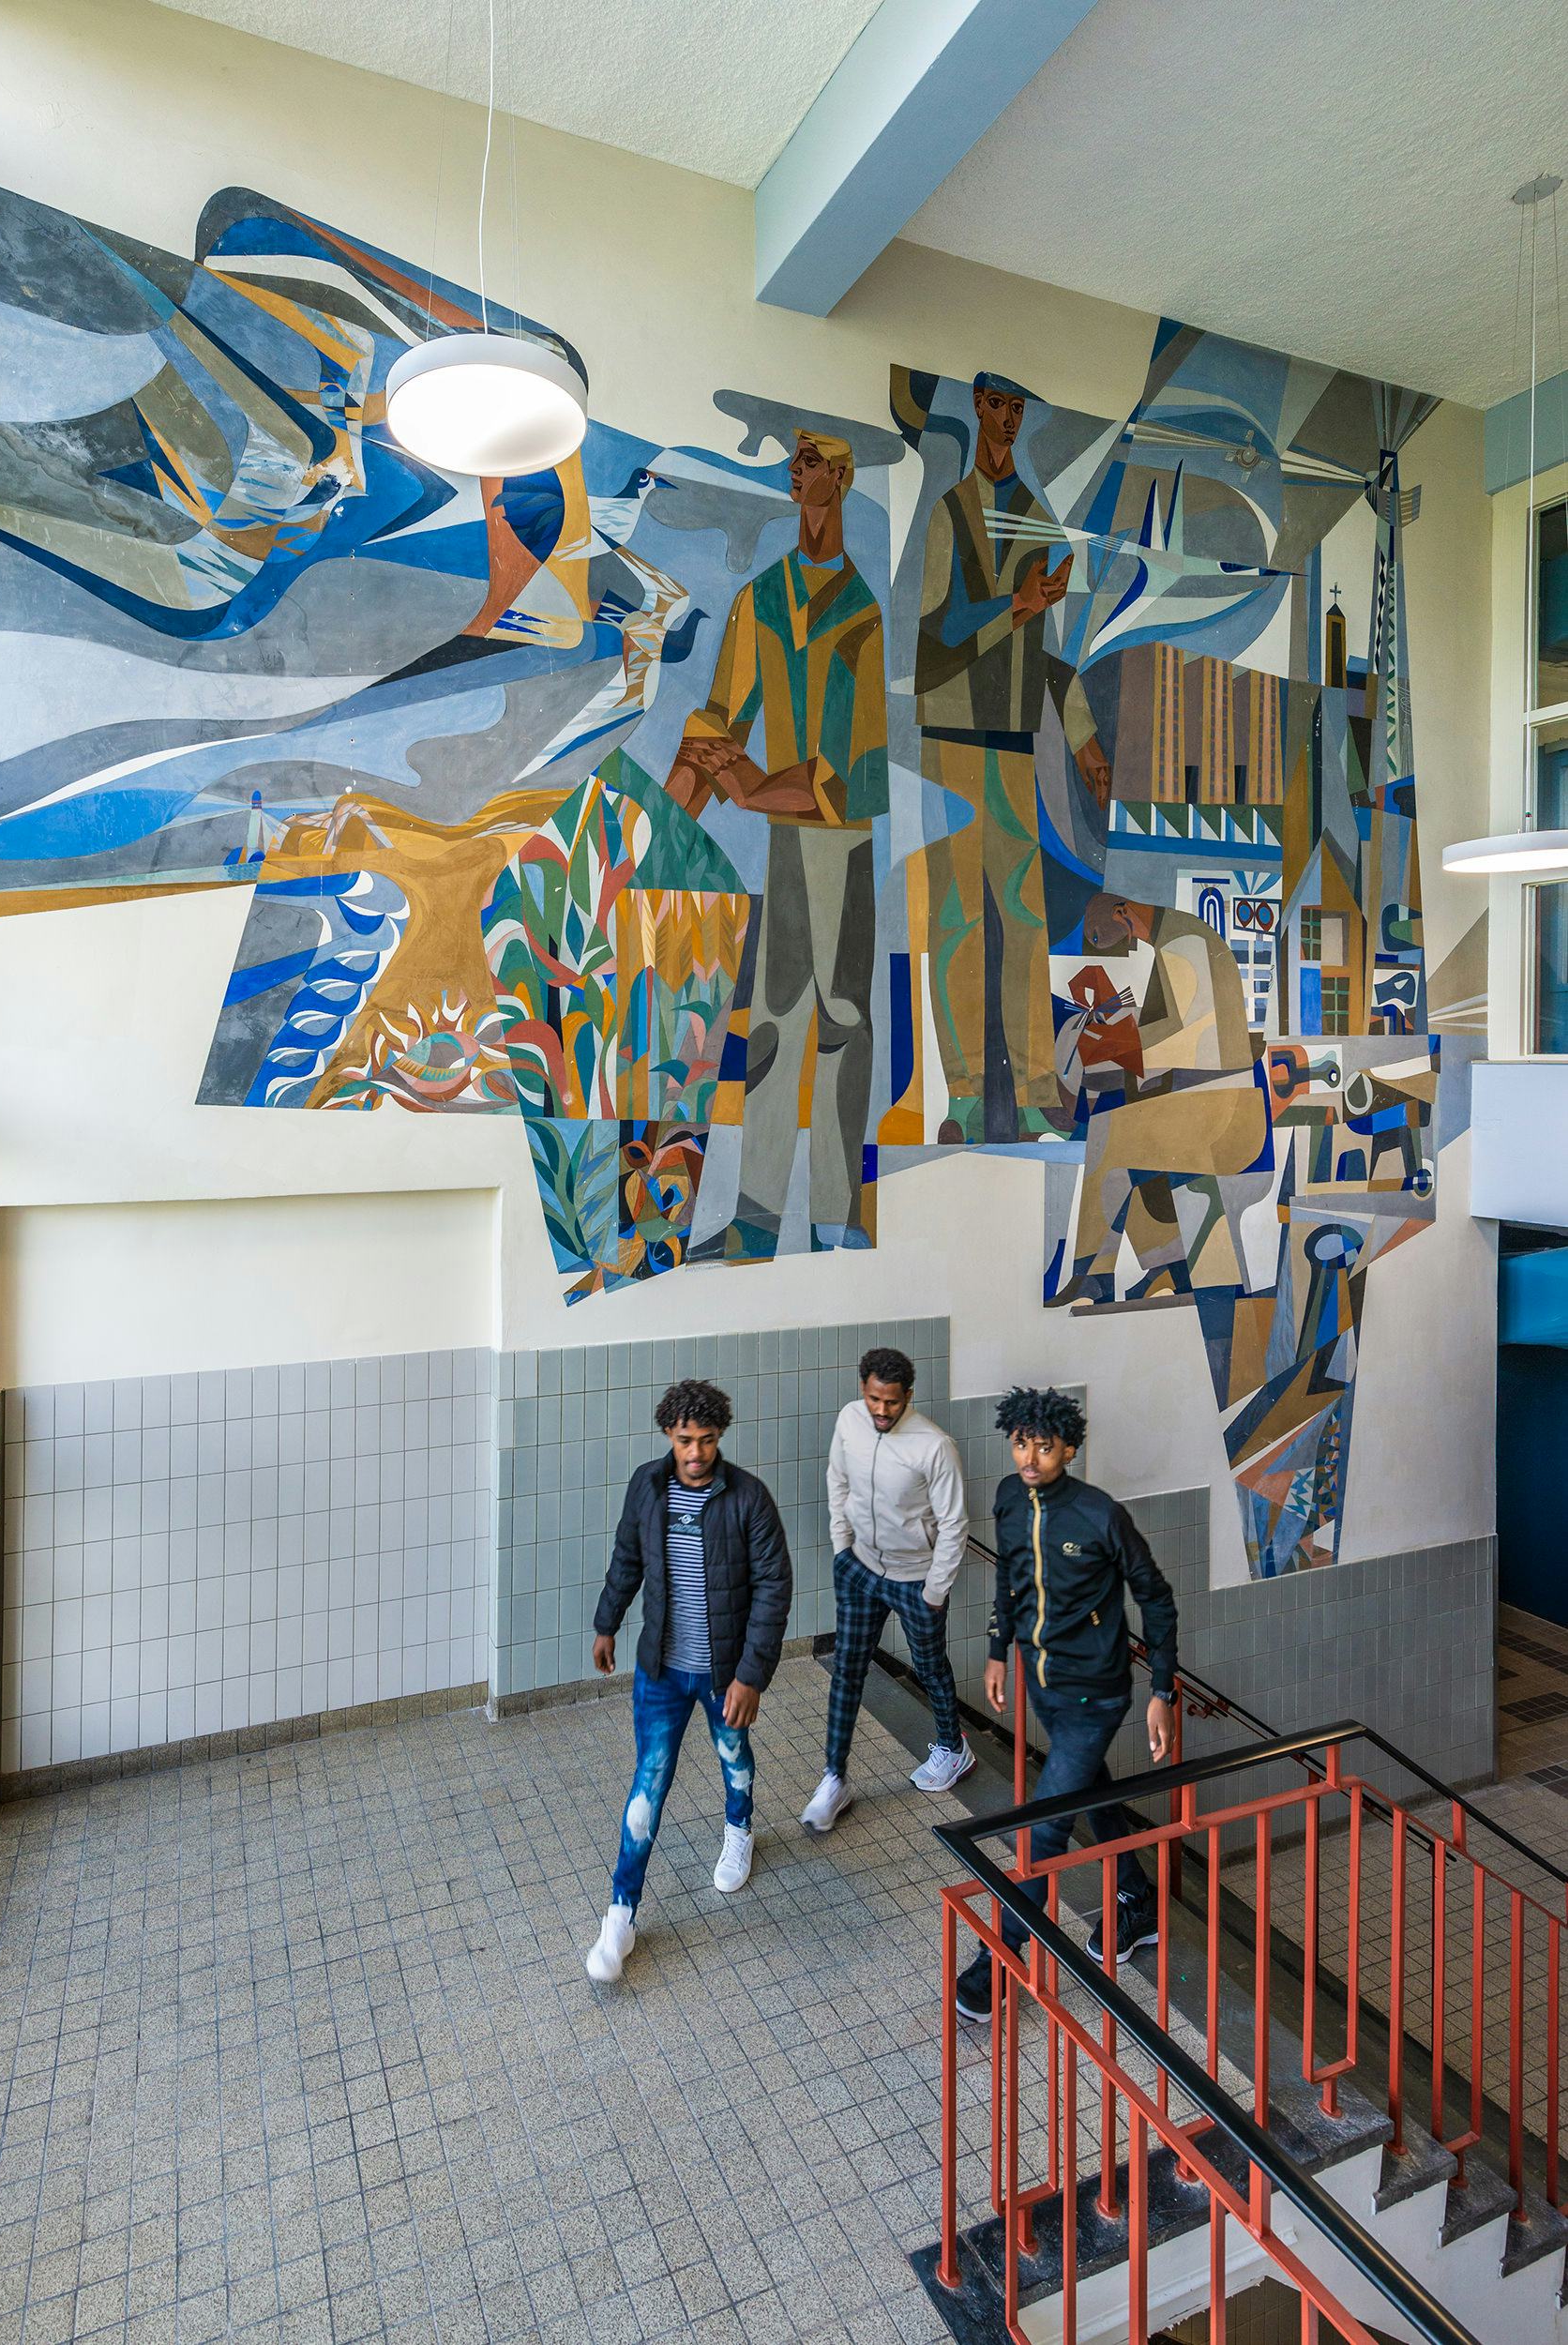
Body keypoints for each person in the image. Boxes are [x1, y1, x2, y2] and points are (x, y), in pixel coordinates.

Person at [667, 429, 886, 1258]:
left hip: (844, 844)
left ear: (841, 476)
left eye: (812, 461)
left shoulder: (862, 612)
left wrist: (752, 789)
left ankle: (838, 1214)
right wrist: (667, 823)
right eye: (793, 460)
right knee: (773, 1021)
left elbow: (851, 768)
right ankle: (757, 1216)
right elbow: (720, 718)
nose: (796, 471)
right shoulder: (762, 598)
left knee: (843, 1023)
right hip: (790, 844)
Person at [915, 373, 1114, 1143]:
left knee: (1024, 916)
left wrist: (1083, 735)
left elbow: (1047, 656)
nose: (1006, 419)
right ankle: (966, 1096)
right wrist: (1018, 605)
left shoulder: (1038, 521)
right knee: (958, 919)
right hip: (950, 738)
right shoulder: (948, 513)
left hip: (1013, 744)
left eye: (1018, 408)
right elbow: (936, 637)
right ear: (977, 406)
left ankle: (1034, 1093)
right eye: (996, 404)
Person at [952, 1386, 1180, 2022]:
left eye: (1044, 1447)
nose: (1030, 1458)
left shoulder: (1100, 1515)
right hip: (1042, 1684)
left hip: (1096, 1695)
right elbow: (1009, 1579)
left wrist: (1162, 1690)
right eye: (1021, 1443)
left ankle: (999, 1957)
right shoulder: (1008, 1498)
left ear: (1070, 1450)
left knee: (1046, 1824)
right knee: (1091, 1794)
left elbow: (1156, 1597)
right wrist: (997, 1650)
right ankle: (1137, 1899)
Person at [584, 1378, 794, 1983]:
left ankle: (739, 1828)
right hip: (661, 1670)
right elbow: (627, 1558)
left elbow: (774, 1588)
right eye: (684, 1440)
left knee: (733, 1753)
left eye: (706, 1440)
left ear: (719, 1436)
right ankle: (620, 1914)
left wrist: (750, 1676)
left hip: (724, 1671)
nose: (696, 1452)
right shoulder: (647, 1488)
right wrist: (607, 1624)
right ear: (668, 1436)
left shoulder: (748, 1498)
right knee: (648, 1783)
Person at [1059, 891, 1269, 1305]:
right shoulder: (1179, 940)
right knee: (1128, 1143)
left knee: (1107, 1140)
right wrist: (1121, 1036)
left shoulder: (1184, 944)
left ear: (1123, 912)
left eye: (1103, 937)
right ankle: (1168, 1267)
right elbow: (1173, 1027)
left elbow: (1185, 1036)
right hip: (1203, 1097)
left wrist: (1114, 1042)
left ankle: (1093, 1273)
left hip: (1220, 1108)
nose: (1128, 945)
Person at [803, 1345, 973, 1834]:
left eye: (892, 1402)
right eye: (875, 1399)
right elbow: (838, 1480)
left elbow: (954, 1523)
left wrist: (934, 1591)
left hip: (915, 1579)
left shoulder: (933, 1446)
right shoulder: (850, 1420)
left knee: (930, 1667)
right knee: (847, 1670)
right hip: (859, 1569)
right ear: (864, 1388)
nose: (882, 1410)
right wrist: (842, 1547)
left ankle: (953, 1748)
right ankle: (834, 1778)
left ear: (908, 1396)